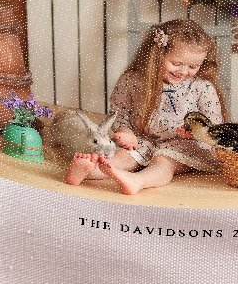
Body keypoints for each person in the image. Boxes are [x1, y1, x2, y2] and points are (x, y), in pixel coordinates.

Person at [67, 17, 225, 195]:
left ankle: (138, 180)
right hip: (143, 139)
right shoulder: (133, 80)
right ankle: (87, 171)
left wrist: (196, 133)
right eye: (176, 63)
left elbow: (214, 125)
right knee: (125, 156)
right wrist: (126, 132)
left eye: (193, 66)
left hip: (184, 144)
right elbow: (119, 111)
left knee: (164, 161)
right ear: (157, 55)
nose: (183, 71)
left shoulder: (202, 87)